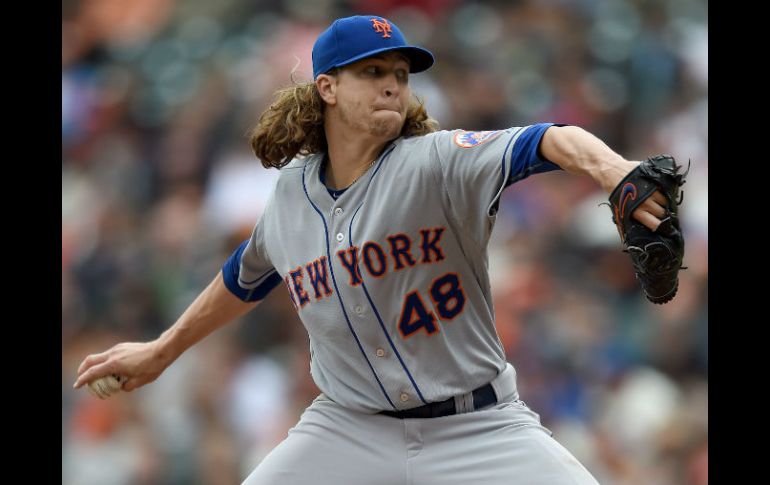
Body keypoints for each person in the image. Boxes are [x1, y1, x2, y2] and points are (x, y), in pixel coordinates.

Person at [74, 14, 674, 484]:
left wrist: (614, 168)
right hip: (348, 430)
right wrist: (162, 350)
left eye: (400, 73)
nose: (391, 84)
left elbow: (547, 139)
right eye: (372, 72)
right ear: (327, 87)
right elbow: (246, 275)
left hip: (480, 426)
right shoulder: (290, 194)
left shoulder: (436, 161)